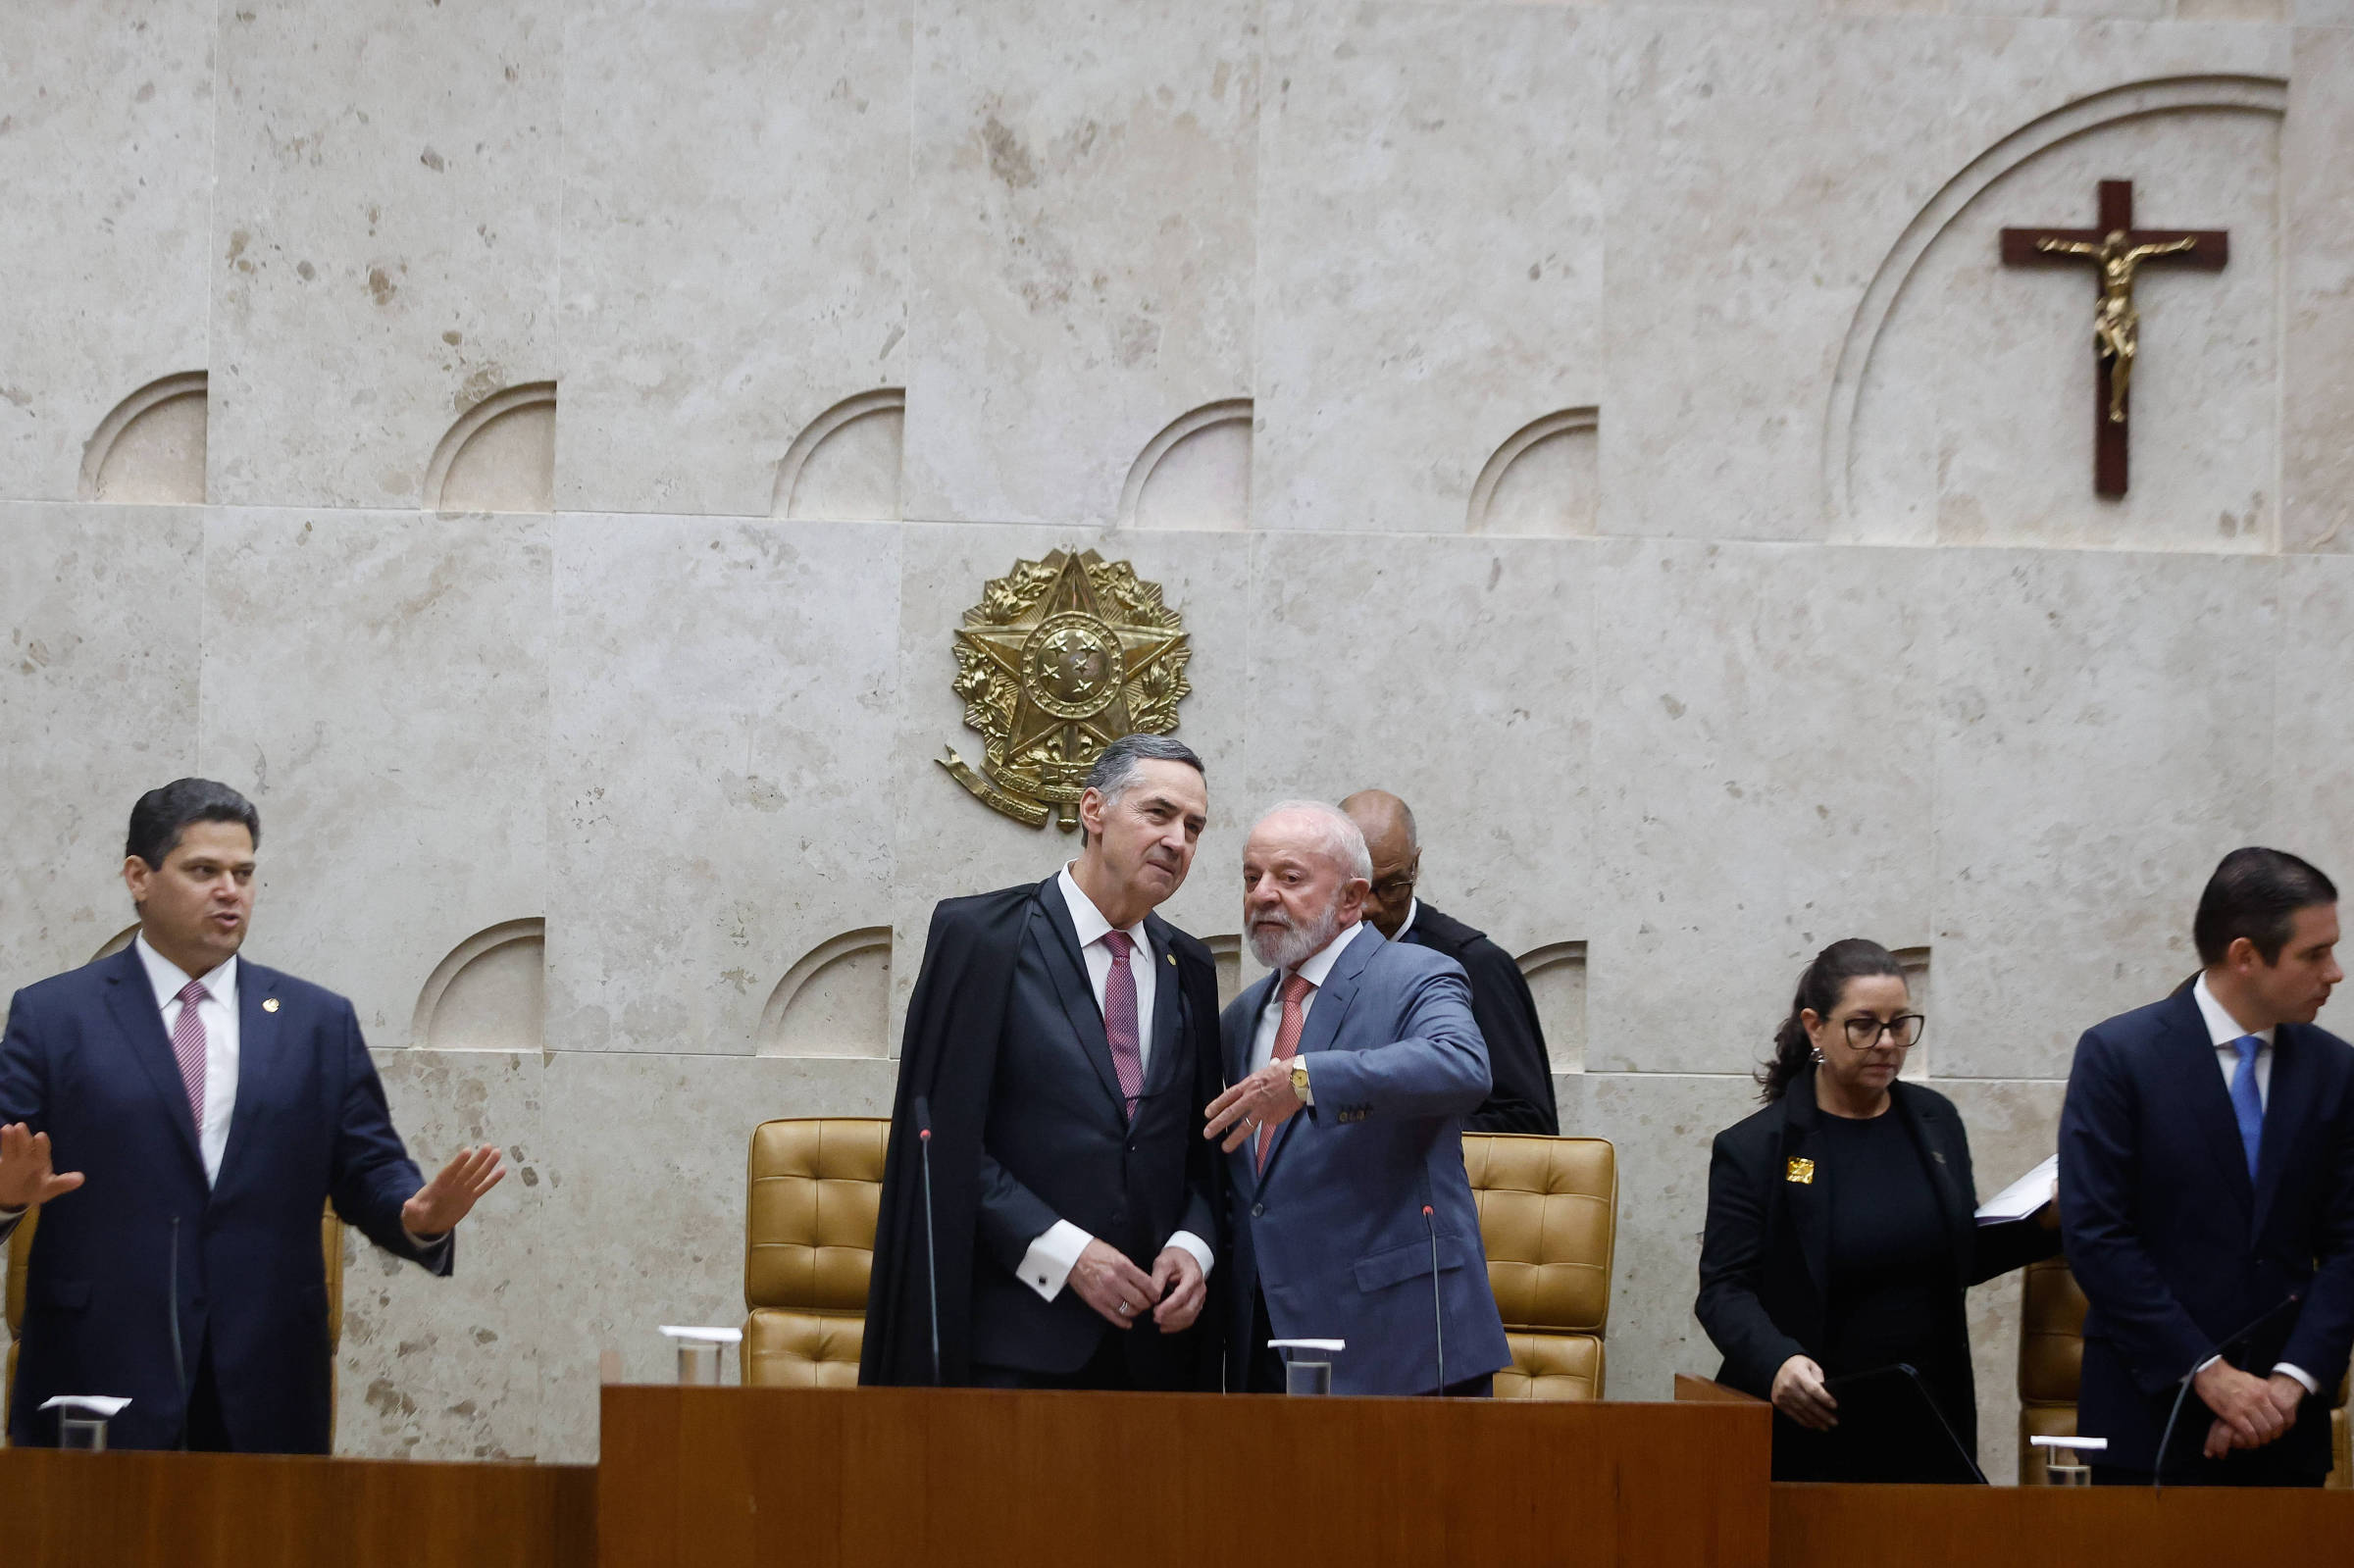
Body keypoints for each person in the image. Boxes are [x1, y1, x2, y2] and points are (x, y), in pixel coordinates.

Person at [0, 780, 504, 1453]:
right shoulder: (54, 1015)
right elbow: (8, 1158)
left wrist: (414, 1217)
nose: (229, 890)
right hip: (99, 1367)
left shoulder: (315, 1021)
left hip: (266, 1371)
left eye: (243, 873)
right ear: (139, 877)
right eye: (203, 870)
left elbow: (369, 1166)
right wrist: (7, 1198)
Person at [861, 735, 1226, 1390]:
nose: (1177, 840)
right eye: (1159, 813)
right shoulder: (983, 939)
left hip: (1156, 1354)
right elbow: (940, 1142)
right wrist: (1065, 1253)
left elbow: (1202, 1150)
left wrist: (1194, 1248)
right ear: (1094, 810)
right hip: (1014, 1344)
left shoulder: (1191, 967)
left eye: (1193, 827)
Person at [1695, 938, 2057, 1481]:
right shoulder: (1757, 1148)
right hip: (1815, 1416)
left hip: (1928, 1414)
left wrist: (2047, 1222)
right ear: (1816, 1027)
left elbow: (1955, 1254)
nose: (1887, 1043)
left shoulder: (1934, 1120)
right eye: (1864, 1025)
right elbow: (1724, 1289)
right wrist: (1776, 1362)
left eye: (1900, 1024)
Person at [2059, 847, 2354, 1486]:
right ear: (2246, 956)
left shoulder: (2335, 1069)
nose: (2335, 972)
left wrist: (2286, 1385)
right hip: (2148, 1418)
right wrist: (2210, 1375)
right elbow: (2097, 1237)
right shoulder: (2119, 1057)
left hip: (2285, 1428)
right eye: (2314, 954)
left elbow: (2350, 1244)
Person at [1205, 800, 1509, 1395]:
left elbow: (1463, 1066)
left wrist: (1304, 1080)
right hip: (1270, 1345)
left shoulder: (1417, 974)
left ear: (1351, 897)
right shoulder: (1242, 1016)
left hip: (1400, 1344)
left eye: (1290, 878)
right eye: (1251, 878)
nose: (1263, 894)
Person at [1341, 789, 1557, 1134]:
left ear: (1416, 865)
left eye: (1392, 885)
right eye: (1355, 886)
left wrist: (1385, 1135)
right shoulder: (1312, 959)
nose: (1371, 907)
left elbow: (1529, 1124)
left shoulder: (1477, 964)